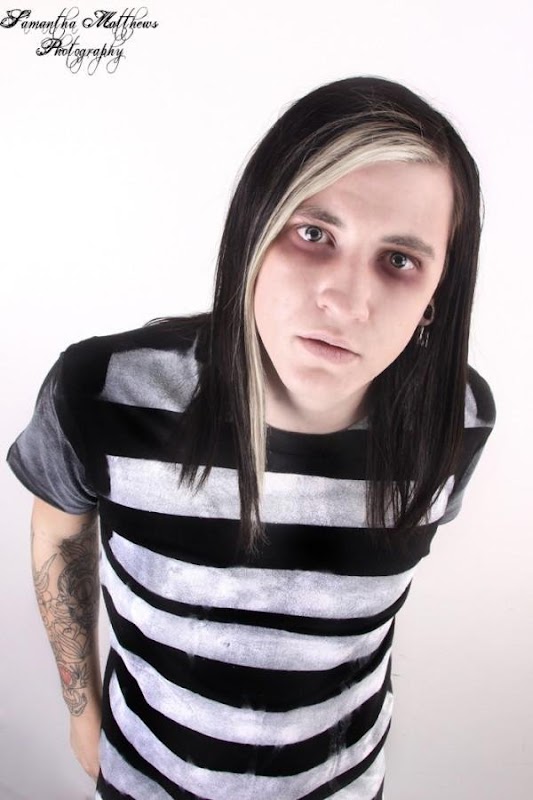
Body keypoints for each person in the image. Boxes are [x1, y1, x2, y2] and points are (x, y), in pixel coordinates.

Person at [6, 75, 496, 800]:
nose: (346, 301)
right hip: (147, 778)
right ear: (254, 232)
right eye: (314, 234)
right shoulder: (102, 392)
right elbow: (57, 534)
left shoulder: (455, 419)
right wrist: (82, 715)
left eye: (399, 260)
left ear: (436, 296)